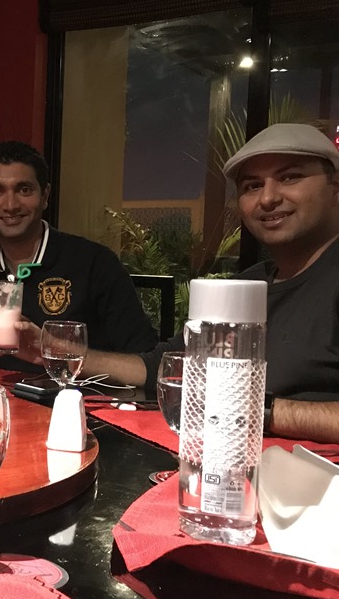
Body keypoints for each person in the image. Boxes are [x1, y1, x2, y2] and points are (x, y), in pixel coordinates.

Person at [20, 123, 339, 443]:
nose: (268, 198)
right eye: (252, 185)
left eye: (290, 177)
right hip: (233, 459)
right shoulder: (246, 285)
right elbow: (161, 366)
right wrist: (57, 350)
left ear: (335, 186)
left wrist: (251, 409)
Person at [0, 140, 157, 370]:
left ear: (45, 196)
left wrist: (56, 350)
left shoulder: (95, 263)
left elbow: (144, 362)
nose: (11, 205)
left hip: (72, 402)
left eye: (24, 190)